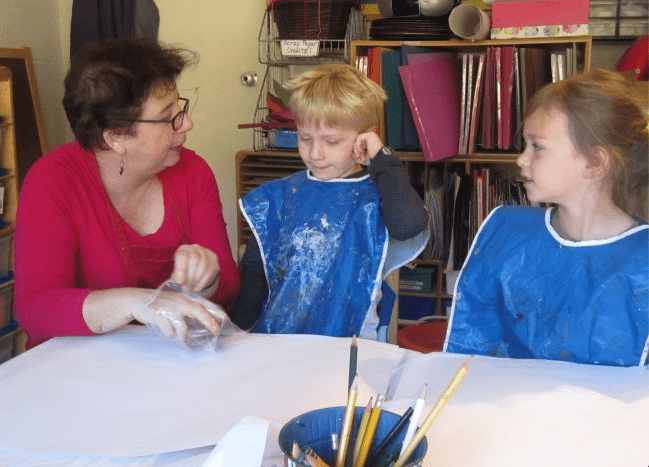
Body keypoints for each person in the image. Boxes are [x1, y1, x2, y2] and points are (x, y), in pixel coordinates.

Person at [14, 38, 240, 349]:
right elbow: (35, 310)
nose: (187, 123)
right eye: (169, 117)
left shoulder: (193, 171)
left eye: (181, 107)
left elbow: (229, 282)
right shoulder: (53, 181)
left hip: (168, 361)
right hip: (77, 366)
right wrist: (137, 302)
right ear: (116, 137)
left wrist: (208, 278)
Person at [444, 68, 649, 367]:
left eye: (537, 147)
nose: (521, 159)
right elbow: (471, 350)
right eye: (524, 145)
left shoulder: (642, 262)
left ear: (594, 162)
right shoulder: (507, 232)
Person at [232, 63, 430, 341]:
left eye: (332, 141)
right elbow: (255, 282)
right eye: (305, 138)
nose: (316, 154)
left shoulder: (380, 196)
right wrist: (236, 337)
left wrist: (382, 158)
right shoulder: (276, 199)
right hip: (277, 345)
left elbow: (409, 225)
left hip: (352, 346)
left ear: (365, 137)